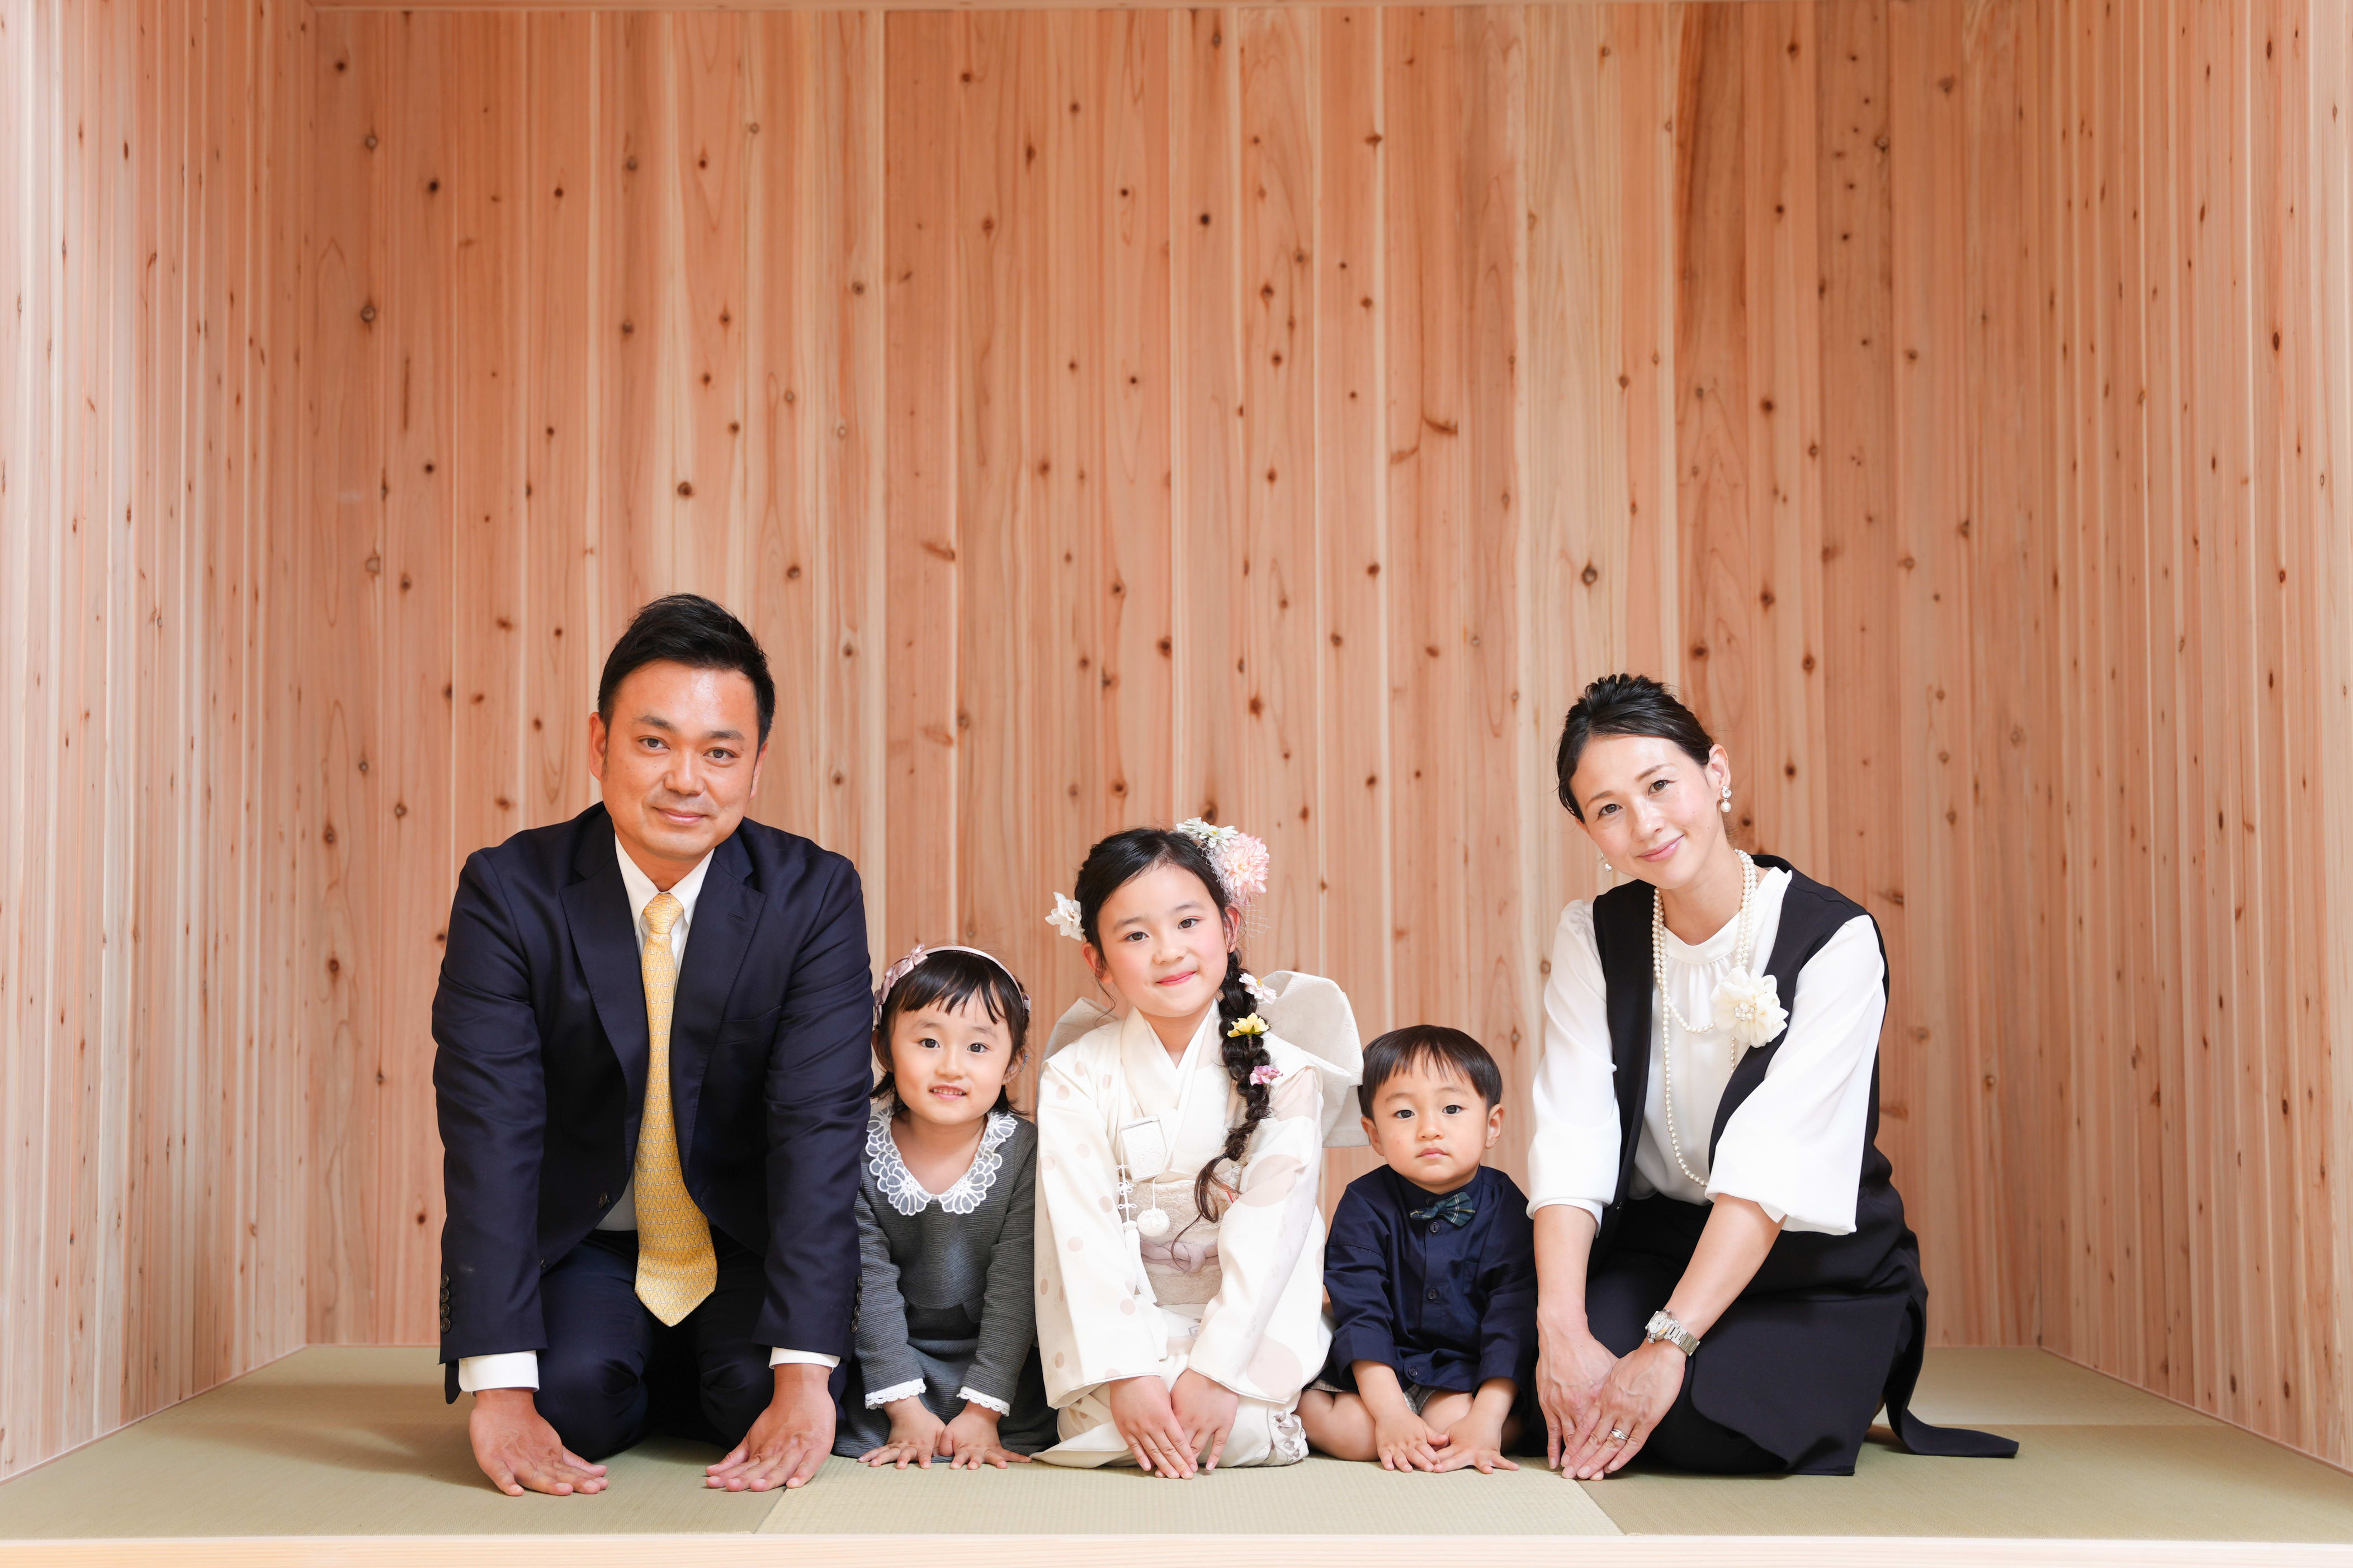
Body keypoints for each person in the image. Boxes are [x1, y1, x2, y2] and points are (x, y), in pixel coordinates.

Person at [432, 594, 873, 1497]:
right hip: (590, 1239)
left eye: (719, 752)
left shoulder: (813, 896)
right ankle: (621, 1363)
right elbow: (492, 1134)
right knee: (566, 1406)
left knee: (765, 1398)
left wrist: (804, 1379)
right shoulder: (509, 893)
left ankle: (707, 1367)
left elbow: (816, 1135)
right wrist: (500, 1388)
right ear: (598, 745)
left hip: (740, 1241)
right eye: (653, 743)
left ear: (755, 767)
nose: (687, 779)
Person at [1527, 673, 2017, 1478]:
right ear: (1589, 830)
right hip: (1660, 1250)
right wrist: (1561, 1327)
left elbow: (1772, 1164)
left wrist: (1667, 1344)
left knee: (1689, 1416)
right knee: (1536, 1372)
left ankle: (1812, 1369)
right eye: (1608, 808)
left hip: (1809, 1270)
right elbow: (1574, 1128)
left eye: (1660, 785)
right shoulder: (1595, 934)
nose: (1644, 823)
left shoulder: (1834, 938)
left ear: (1716, 775)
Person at [1029, 821, 1363, 1475]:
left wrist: (1213, 1372)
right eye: (1134, 935)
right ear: (1096, 959)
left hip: (1242, 1334)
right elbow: (1081, 1235)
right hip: (1125, 1335)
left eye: (1188, 923)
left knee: (1234, 1421)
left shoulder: (1286, 1071)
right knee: (1117, 1417)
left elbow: (1276, 1234)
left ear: (1228, 929)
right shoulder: (1073, 1073)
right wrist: (1128, 1377)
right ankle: (1137, 1401)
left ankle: (1211, 1403)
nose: (1168, 952)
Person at [837, 945, 1057, 1467]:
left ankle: (982, 1413)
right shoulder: (856, 1149)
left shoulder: (1025, 1151)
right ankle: (905, 1411)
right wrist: (903, 1407)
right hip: (891, 1360)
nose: (951, 1066)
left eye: (979, 1046)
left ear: (1014, 1061)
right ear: (884, 1048)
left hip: (1003, 1367)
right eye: (929, 1041)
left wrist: (982, 1412)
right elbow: (868, 1288)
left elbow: (1016, 1288)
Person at [1300, 1025, 1537, 1475]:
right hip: (1377, 1368)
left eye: (1451, 1108)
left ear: (1492, 1124)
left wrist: (1486, 1418)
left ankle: (1472, 1423)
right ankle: (1298, 1407)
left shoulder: (1508, 1206)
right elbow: (1362, 1313)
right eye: (1405, 1114)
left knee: (1466, 1429)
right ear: (1373, 1134)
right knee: (1354, 1435)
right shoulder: (1364, 1202)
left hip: (1462, 1371)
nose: (1430, 1129)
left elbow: (1513, 1320)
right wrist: (1390, 1413)